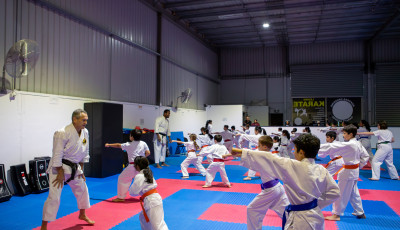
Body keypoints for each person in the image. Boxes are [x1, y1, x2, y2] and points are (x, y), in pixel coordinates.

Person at [230, 134, 340, 229]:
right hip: (317, 216)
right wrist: (315, 204)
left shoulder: (292, 165)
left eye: (295, 150)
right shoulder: (322, 169)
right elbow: (335, 192)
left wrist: (241, 152)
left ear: (301, 152)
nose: (293, 152)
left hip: (301, 221)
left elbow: (269, 158)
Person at [41, 109, 94, 230]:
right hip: (59, 167)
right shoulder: (62, 132)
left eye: (86, 120)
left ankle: (82, 214)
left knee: (83, 189)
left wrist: (81, 170)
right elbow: (57, 153)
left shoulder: (85, 132)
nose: (85, 122)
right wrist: (60, 172)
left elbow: (84, 152)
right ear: (74, 119)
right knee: (54, 197)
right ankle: (44, 225)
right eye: (83, 120)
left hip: (75, 167)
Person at [225, 136, 290, 230]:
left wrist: (230, 147)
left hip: (270, 190)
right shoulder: (271, 156)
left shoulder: (263, 155)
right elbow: (248, 155)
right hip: (278, 187)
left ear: (265, 147)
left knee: (252, 209)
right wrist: (232, 154)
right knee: (286, 212)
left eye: (259, 145)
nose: (257, 147)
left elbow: (247, 153)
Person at [319, 124, 369, 221]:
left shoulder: (350, 144)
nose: (343, 135)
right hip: (354, 171)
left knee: (341, 193)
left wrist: (314, 147)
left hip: (348, 172)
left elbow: (332, 146)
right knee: (353, 192)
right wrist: (359, 165)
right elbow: (365, 156)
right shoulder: (357, 143)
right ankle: (360, 212)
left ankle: (336, 214)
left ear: (350, 134)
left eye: (345, 133)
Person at [105, 129, 150, 202]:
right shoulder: (143, 143)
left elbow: (118, 145)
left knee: (122, 178)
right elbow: (148, 153)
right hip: (142, 166)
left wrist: (109, 145)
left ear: (132, 137)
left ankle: (121, 197)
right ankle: (145, 196)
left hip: (133, 166)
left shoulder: (128, 144)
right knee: (143, 180)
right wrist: (142, 158)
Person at [129, 156, 168, 230]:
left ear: (137, 166)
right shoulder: (148, 173)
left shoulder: (140, 176)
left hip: (152, 201)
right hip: (152, 200)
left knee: (158, 225)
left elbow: (132, 192)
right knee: (143, 218)